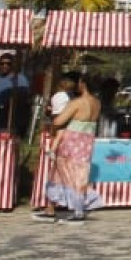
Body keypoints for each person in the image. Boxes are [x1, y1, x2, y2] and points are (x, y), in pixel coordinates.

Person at [38, 72, 101, 223]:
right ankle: (51, 208)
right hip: (87, 140)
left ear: (83, 83)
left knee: (67, 174)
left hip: (72, 141)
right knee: (75, 174)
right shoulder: (97, 103)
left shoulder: (77, 103)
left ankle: (77, 211)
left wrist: (50, 117)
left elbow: (59, 121)